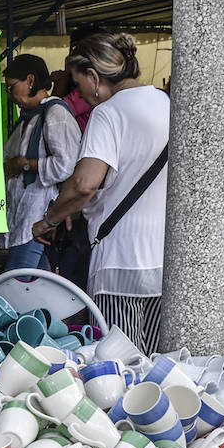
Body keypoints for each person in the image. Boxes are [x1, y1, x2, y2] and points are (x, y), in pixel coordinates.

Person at [31, 34, 171, 354]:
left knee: (118, 368)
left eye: (79, 84)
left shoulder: (108, 113)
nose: (79, 93)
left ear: (94, 76)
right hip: (167, 259)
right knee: (161, 368)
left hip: (120, 261)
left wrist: (49, 219)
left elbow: (85, 183)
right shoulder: (166, 103)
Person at [2, 54, 83, 274]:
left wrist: (26, 164)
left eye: (11, 87)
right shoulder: (29, 117)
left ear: (30, 81)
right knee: (35, 287)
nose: (9, 95)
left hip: (38, 217)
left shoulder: (56, 113)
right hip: (22, 216)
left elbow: (67, 164)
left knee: (15, 286)